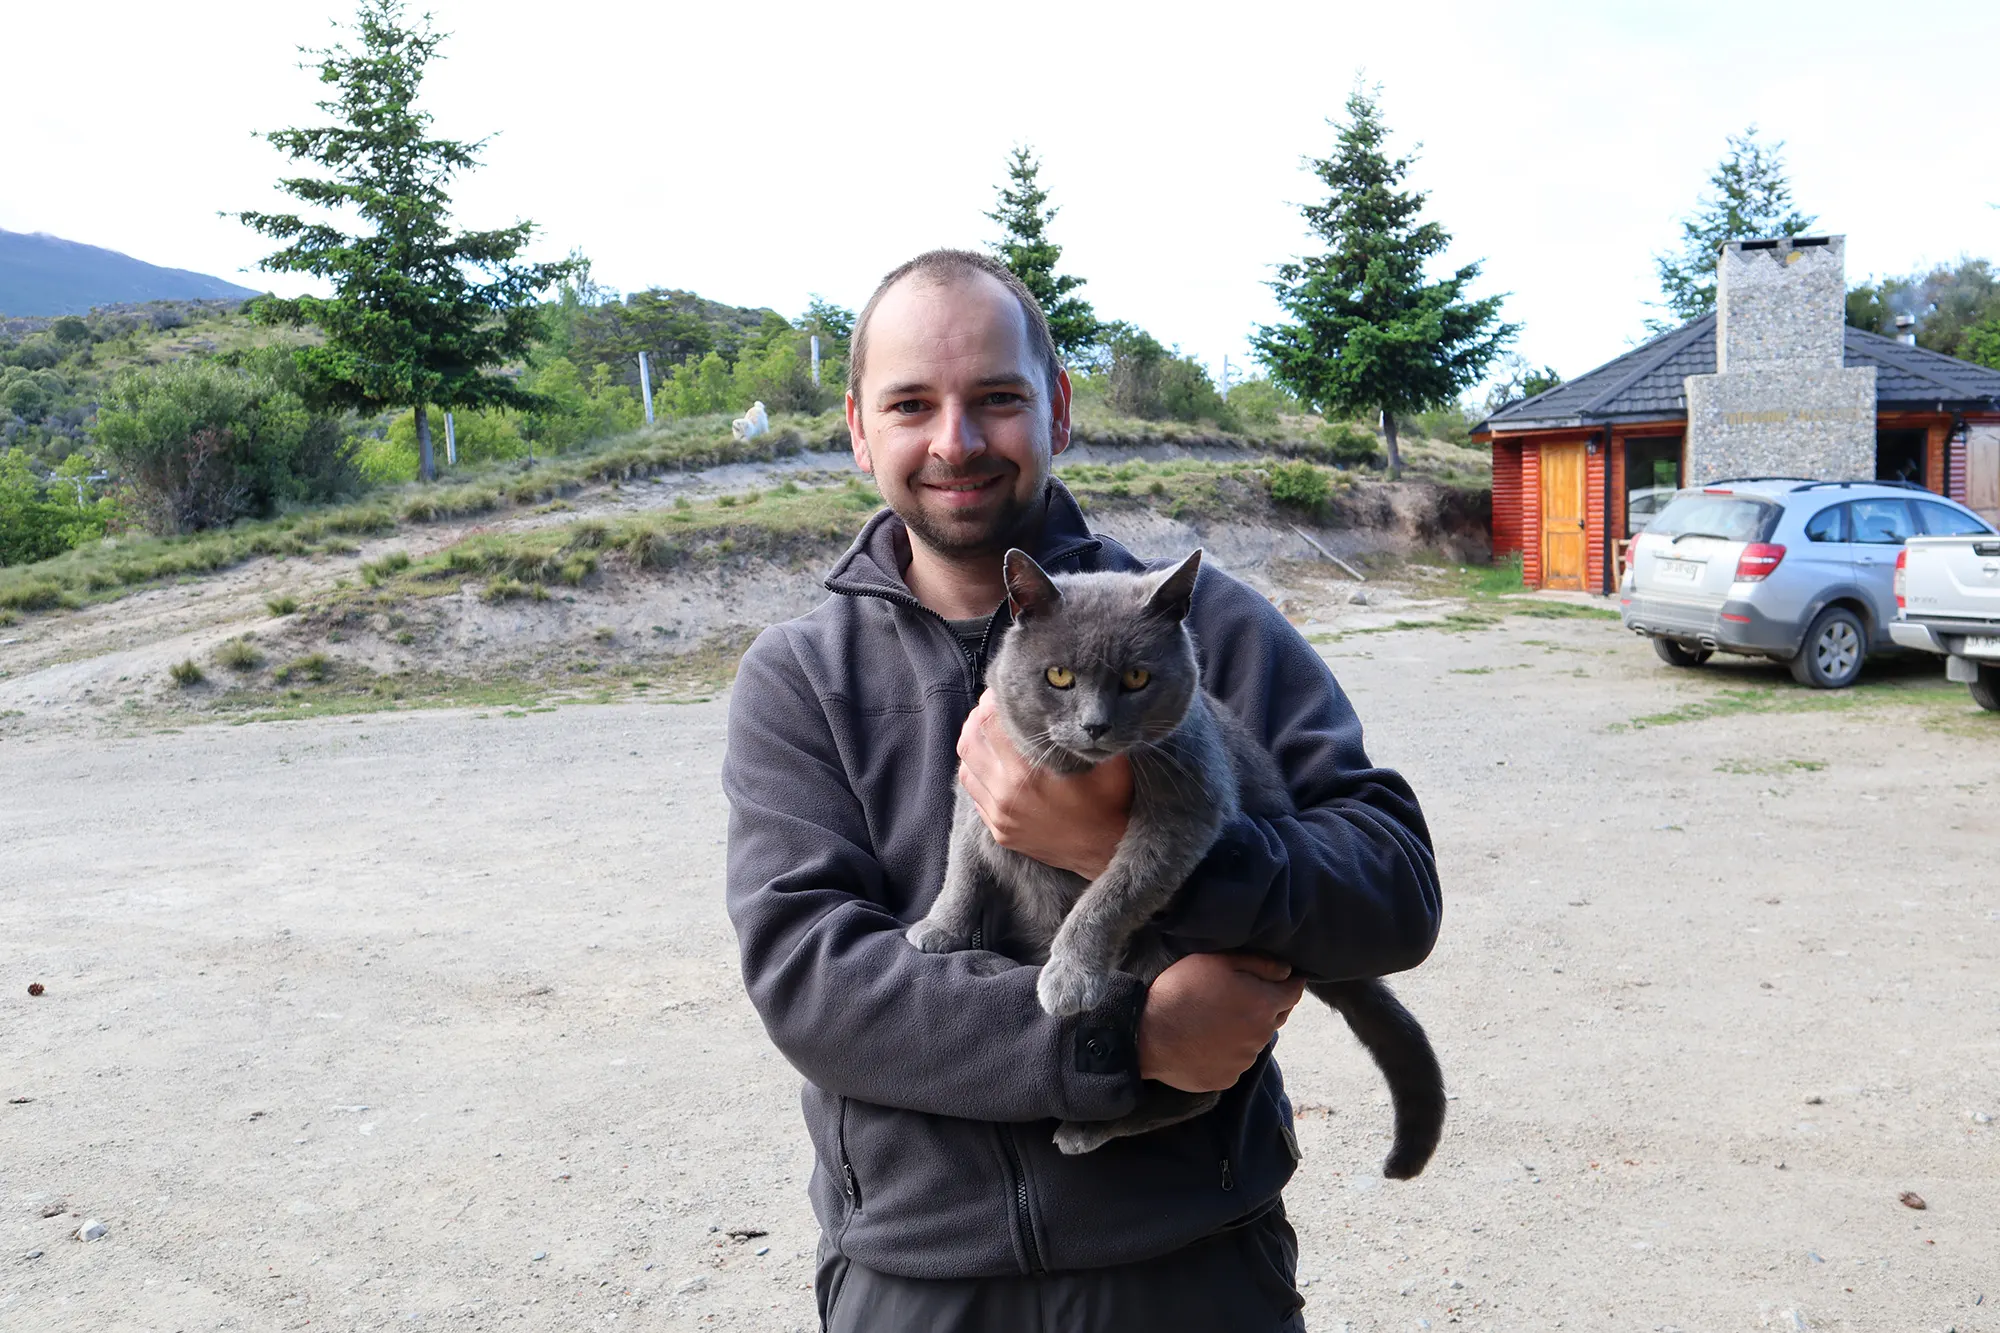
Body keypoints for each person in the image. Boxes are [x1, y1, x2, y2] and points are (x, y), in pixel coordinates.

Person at [722, 249, 1440, 1332]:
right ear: (858, 427)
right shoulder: (801, 677)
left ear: (1056, 406)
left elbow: (1392, 892)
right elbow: (811, 985)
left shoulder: (1200, 622)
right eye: (911, 403)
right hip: (917, 1279)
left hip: (1189, 1269)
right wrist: (1122, 1039)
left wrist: (1126, 848)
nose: (955, 440)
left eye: (997, 398)